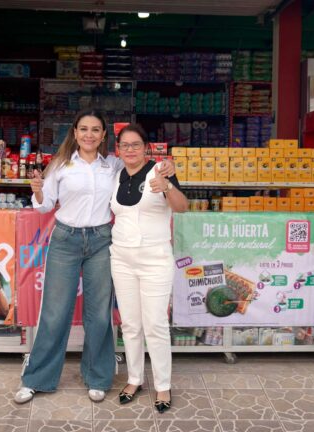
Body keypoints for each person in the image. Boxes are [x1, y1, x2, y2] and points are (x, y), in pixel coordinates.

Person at [15, 110, 174, 404]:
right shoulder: (60, 165)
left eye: (96, 130)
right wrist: (37, 192)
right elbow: (44, 205)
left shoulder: (113, 165)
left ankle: (98, 377)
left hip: (101, 241)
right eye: (84, 129)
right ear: (74, 133)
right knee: (54, 312)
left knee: (99, 314)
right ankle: (36, 379)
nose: (89, 134)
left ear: (103, 136)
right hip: (65, 239)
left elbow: (143, 165)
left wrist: (167, 166)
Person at [109, 124, 187, 414]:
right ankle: (134, 378)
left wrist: (167, 187)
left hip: (155, 259)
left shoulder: (161, 171)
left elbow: (182, 207)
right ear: (118, 150)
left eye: (136, 144)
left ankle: (163, 384)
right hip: (121, 259)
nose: (130, 150)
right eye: (125, 145)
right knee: (130, 324)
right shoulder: (115, 176)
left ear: (146, 147)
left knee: (154, 324)